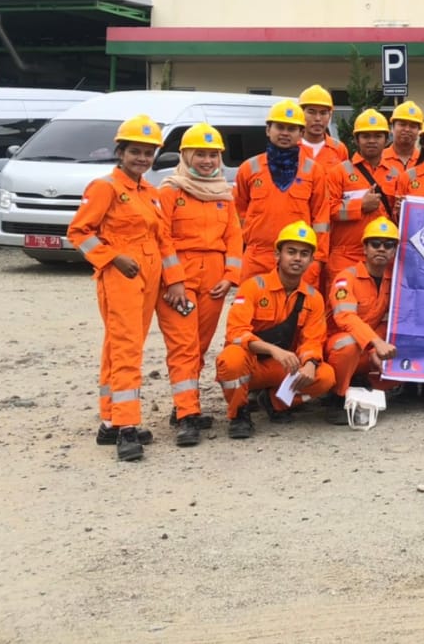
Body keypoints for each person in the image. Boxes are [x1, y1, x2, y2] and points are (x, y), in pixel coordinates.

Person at [69, 115, 187, 461]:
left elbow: (163, 240)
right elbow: (79, 232)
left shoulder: (149, 193)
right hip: (121, 276)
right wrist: (112, 258)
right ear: (120, 152)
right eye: (135, 151)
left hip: (149, 275)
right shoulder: (105, 187)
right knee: (126, 351)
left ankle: (109, 420)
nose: (142, 158)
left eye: (148, 153)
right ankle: (126, 426)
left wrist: (176, 281)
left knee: (118, 347)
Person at [155, 123, 244, 446]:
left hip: (214, 281)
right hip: (178, 281)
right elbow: (161, 239)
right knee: (183, 347)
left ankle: (184, 404)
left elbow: (234, 236)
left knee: (199, 347)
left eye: (212, 155)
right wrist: (174, 280)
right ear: (185, 155)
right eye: (200, 154)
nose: (207, 161)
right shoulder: (170, 191)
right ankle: (187, 416)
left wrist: (230, 276)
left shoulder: (224, 193)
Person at [215, 221, 337, 439]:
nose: (297, 258)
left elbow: (313, 339)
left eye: (304, 254)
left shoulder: (313, 297)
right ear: (277, 254)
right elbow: (236, 333)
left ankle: (275, 402)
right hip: (249, 366)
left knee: (325, 377)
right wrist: (273, 350)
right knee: (231, 359)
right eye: (291, 252)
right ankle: (239, 413)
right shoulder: (252, 287)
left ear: (311, 260)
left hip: (283, 367)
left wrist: (309, 363)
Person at [233, 99, 330, 284]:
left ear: (301, 133)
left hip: (299, 258)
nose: (285, 133)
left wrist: (317, 260)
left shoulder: (314, 171)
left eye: (292, 129)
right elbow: (238, 213)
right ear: (268, 130)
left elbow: (321, 219)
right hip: (257, 258)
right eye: (280, 127)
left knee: (298, 311)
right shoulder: (249, 168)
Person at [323, 217, 400, 423]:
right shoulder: (346, 278)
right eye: (375, 244)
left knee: (401, 343)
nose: (381, 249)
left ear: (394, 252)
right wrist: (375, 344)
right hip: (337, 347)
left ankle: (363, 382)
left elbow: (388, 321)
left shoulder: (393, 281)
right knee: (348, 344)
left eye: (388, 245)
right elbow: (345, 317)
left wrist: (376, 349)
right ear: (364, 248)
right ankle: (337, 397)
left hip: (369, 348)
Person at [324, 109, 404, 285]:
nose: (372, 141)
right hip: (346, 256)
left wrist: (400, 212)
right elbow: (328, 210)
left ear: (386, 140)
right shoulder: (339, 172)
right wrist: (360, 206)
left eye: (377, 136)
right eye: (366, 136)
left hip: (382, 256)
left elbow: (398, 221)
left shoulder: (396, 174)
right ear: (356, 140)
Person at [298, 84, 349, 171]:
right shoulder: (291, 147)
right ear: (300, 113)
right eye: (311, 112)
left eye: (323, 113)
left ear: (330, 115)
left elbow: (348, 179)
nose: (318, 118)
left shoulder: (339, 148)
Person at [383, 100, 424, 173]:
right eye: (402, 124)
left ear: (419, 130)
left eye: (413, 126)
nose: (407, 129)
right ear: (392, 128)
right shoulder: (379, 159)